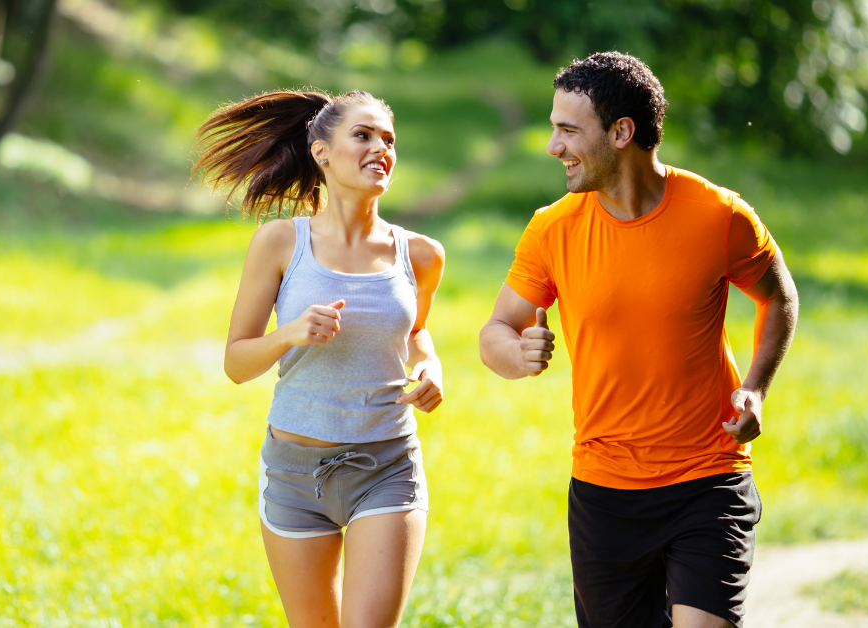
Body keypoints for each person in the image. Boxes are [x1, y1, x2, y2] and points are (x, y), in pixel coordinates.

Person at [478, 52, 799, 628]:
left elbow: (778, 297)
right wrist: (518, 355)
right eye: (554, 128)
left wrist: (756, 389)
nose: (554, 147)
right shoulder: (553, 228)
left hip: (709, 476)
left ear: (622, 132)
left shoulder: (718, 215)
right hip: (605, 490)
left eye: (568, 130)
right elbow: (496, 329)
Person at [194, 89, 446, 628]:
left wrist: (430, 368)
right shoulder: (281, 243)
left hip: (385, 465)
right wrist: (291, 333)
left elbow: (418, 334)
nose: (381, 147)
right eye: (364, 135)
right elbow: (237, 363)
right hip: (293, 471)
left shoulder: (420, 254)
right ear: (321, 151)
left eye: (389, 139)